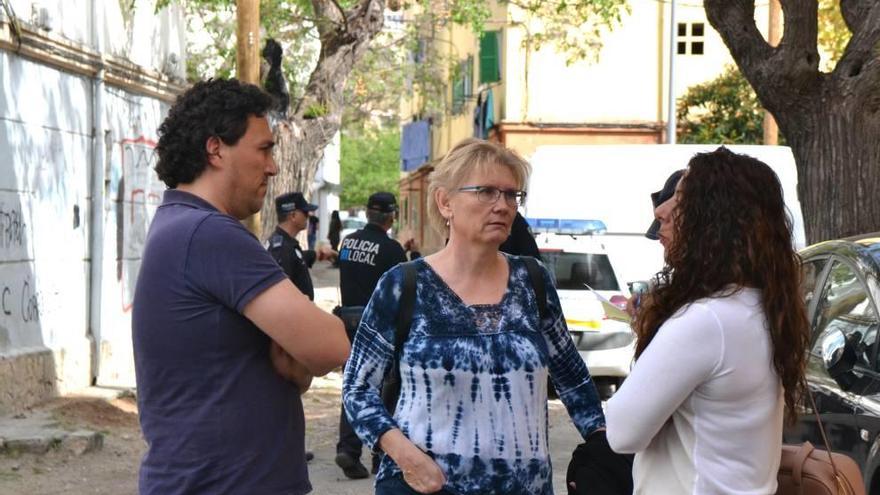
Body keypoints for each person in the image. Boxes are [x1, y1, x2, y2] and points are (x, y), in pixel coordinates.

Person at [342, 138, 606, 495]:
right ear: (445, 202)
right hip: (427, 487)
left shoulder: (533, 280)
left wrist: (603, 442)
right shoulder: (404, 285)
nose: (503, 206)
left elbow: (571, 375)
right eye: (486, 192)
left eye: (511, 195)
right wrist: (406, 456)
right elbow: (358, 388)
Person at [132, 78, 350, 495]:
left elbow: (299, 365)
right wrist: (303, 356)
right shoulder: (210, 233)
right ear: (216, 149)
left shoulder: (181, 225)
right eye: (264, 149)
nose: (272, 166)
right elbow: (331, 348)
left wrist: (297, 364)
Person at [605, 147, 810, 493]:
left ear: (715, 221)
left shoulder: (706, 320)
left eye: (681, 202)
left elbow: (622, 432)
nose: (661, 211)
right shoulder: (759, 305)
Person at [335, 191, 421, 479]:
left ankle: (348, 449)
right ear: (391, 216)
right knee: (386, 389)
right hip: (378, 326)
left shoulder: (348, 242)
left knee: (354, 384)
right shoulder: (391, 249)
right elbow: (409, 284)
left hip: (347, 321)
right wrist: (414, 255)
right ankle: (379, 453)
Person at [268, 192, 319, 301]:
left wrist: (316, 254)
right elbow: (280, 293)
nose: (308, 216)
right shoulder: (281, 248)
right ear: (293, 216)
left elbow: (295, 260)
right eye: (305, 212)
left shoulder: (287, 244)